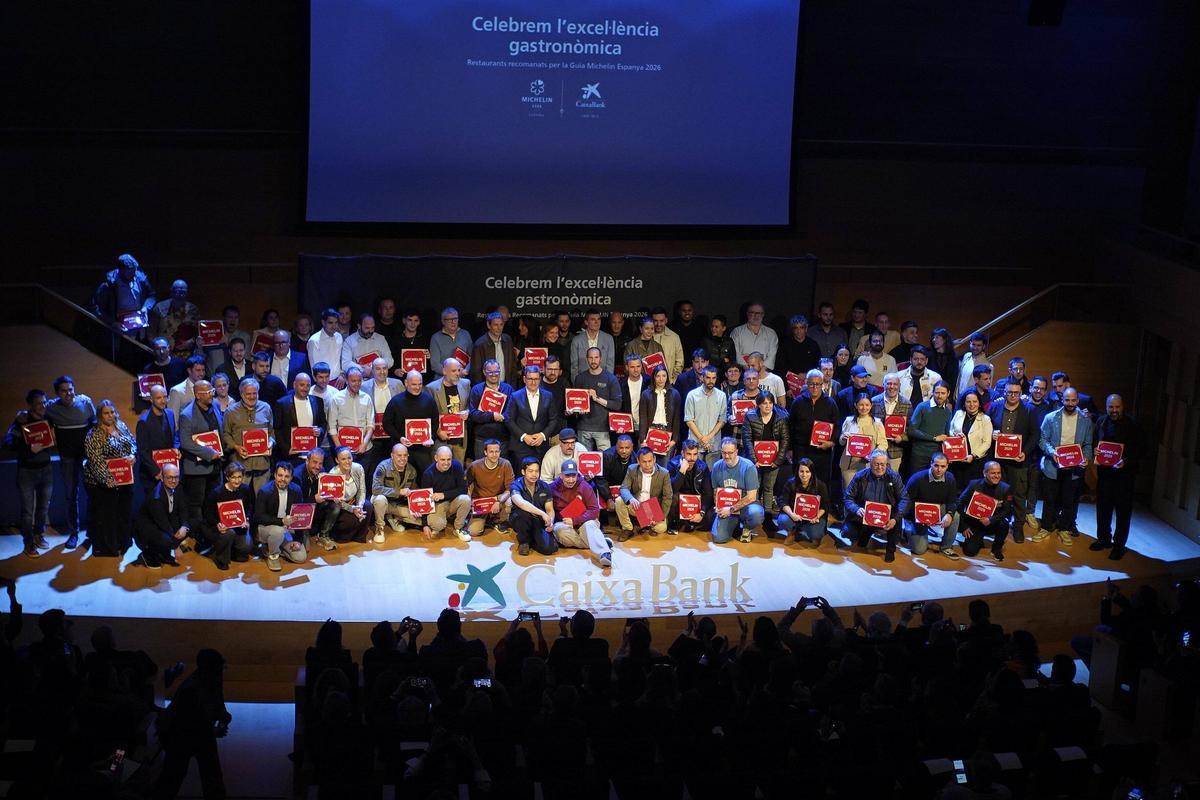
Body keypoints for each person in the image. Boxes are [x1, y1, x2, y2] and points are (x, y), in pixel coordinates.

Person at [153, 648, 232, 800]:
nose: (221, 672)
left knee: (172, 779)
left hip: (183, 737)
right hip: (183, 737)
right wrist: (218, 726)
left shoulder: (199, 684)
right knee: (210, 779)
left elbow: (204, 716)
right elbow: (192, 724)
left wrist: (221, 720)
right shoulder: (196, 688)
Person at [1032, 388, 1093, 546]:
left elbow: (1088, 444)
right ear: (1062, 400)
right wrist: (1052, 452)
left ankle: (1064, 529)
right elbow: (1042, 439)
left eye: (1073, 400)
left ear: (1077, 400)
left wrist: (1086, 457)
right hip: (1053, 466)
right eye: (1067, 400)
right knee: (1049, 500)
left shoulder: (1085, 421)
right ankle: (1046, 527)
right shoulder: (1051, 417)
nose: (1070, 403)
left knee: (1068, 501)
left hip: (1074, 469)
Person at [45, 375, 96, 548]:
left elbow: (95, 426)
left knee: (92, 493)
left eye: (71, 389)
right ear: (57, 393)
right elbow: (36, 416)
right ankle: (74, 533)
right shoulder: (51, 407)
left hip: (87, 457)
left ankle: (93, 532)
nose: (68, 393)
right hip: (67, 459)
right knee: (70, 496)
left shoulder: (85, 403)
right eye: (64, 391)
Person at [1090, 394, 1143, 559]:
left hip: (1124, 477)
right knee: (1103, 509)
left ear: (1122, 407)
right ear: (1106, 407)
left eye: (1117, 407)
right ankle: (1103, 539)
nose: (1114, 410)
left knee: (1123, 512)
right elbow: (1094, 441)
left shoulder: (1133, 424)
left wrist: (1126, 461)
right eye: (1111, 407)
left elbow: (1142, 450)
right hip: (1105, 475)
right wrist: (1095, 450)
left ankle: (1119, 545)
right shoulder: (1101, 421)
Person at [83, 399, 136, 556]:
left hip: (125, 479)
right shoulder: (93, 434)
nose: (110, 415)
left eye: (112, 412)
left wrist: (133, 455)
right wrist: (107, 480)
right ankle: (109, 547)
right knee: (108, 516)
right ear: (100, 415)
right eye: (106, 413)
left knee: (123, 512)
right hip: (102, 483)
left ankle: (123, 542)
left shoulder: (121, 426)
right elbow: (96, 461)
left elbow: (133, 443)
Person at [988, 380, 1039, 542]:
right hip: (997, 461)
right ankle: (996, 525)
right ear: (1004, 392)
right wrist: (992, 433)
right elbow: (986, 426)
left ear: (1021, 393)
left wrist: (1025, 452)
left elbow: (1035, 435)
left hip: (1019, 461)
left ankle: (1018, 526)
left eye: (1016, 393)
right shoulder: (995, 407)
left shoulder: (1030, 410)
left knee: (1018, 495)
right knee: (997, 493)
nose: (1012, 395)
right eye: (1009, 392)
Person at [6, 389, 53, 558]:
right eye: (39, 403)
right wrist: (28, 448)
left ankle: (38, 534)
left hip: (46, 469)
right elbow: (8, 442)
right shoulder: (22, 421)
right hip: (26, 471)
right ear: (30, 405)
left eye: (45, 402)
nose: (43, 406)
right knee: (27, 511)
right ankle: (29, 543)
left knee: (43, 507)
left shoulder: (49, 418)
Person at [843, 449, 906, 562]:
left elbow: (904, 499)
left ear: (886, 464)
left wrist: (895, 519)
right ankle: (866, 533)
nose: (880, 467)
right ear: (870, 463)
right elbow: (848, 498)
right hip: (864, 514)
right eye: (876, 464)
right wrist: (856, 509)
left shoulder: (894, 477)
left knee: (897, 522)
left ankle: (890, 550)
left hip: (889, 516)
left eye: (883, 464)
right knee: (848, 532)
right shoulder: (860, 476)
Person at [550, 460, 612, 568]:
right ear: (561, 475)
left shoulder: (585, 486)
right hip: (565, 525)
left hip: (584, 522)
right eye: (567, 476)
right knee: (559, 532)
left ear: (577, 475)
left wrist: (575, 520)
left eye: (573, 476)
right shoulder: (552, 487)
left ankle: (604, 553)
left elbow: (594, 510)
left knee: (590, 525)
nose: (571, 480)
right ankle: (598, 541)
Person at [898, 453, 961, 558]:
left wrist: (949, 514)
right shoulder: (917, 478)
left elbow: (952, 500)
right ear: (931, 464)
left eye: (943, 466)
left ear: (947, 466)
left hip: (937, 509)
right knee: (919, 550)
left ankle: (946, 547)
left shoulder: (950, 478)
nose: (939, 470)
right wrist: (920, 517)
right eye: (936, 465)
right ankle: (908, 529)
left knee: (955, 516)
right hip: (917, 512)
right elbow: (907, 501)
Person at [178, 379, 223, 523]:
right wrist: (210, 453)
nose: (212, 394)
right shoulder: (186, 415)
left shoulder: (215, 404)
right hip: (197, 469)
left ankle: (211, 531)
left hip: (216, 466)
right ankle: (197, 533)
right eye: (208, 392)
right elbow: (185, 442)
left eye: (212, 391)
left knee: (213, 502)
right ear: (198, 395)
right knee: (197, 505)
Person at [221, 377, 275, 492]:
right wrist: (236, 447)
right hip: (240, 465)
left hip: (262, 464)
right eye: (248, 394)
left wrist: (270, 443)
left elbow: (271, 432)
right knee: (240, 497)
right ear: (241, 394)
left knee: (262, 498)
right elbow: (225, 434)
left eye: (254, 393)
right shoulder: (231, 411)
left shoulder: (266, 408)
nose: (252, 396)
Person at [252, 462, 308, 571]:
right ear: (275, 475)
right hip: (266, 528)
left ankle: (272, 547)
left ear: (291, 477)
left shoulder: (296, 490)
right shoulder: (264, 491)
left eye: (287, 476)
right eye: (280, 475)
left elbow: (299, 516)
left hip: (286, 529)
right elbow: (259, 517)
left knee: (301, 557)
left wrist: (298, 540)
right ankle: (273, 555)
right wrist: (281, 521)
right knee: (278, 531)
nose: (283, 479)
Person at [709, 436, 765, 543]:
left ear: (736, 452)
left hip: (746, 506)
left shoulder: (748, 466)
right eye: (724, 452)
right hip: (726, 506)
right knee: (718, 538)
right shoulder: (716, 466)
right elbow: (715, 491)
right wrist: (719, 507)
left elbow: (751, 497)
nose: (727, 456)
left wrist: (731, 509)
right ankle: (734, 525)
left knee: (756, 514)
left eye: (730, 453)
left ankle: (747, 528)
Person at [789, 369, 840, 487]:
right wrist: (790, 449)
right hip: (801, 450)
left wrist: (831, 442)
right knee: (800, 483)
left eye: (818, 384)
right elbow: (790, 426)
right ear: (806, 383)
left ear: (822, 384)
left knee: (821, 484)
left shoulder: (831, 403)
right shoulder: (797, 402)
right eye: (811, 384)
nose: (815, 387)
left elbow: (837, 426)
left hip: (822, 452)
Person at [741, 393, 789, 518]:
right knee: (754, 488)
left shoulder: (782, 417)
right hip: (755, 461)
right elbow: (747, 439)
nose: (768, 406)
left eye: (770, 403)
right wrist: (753, 460)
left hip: (773, 460)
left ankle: (767, 517)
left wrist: (778, 460)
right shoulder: (750, 416)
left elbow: (785, 440)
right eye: (764, 403)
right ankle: (754, 516)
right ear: (758, 405)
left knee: (769, 488)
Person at [200, 461, 255, 570]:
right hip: (220, 528)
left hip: (238, 525)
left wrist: (247, 519)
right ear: (227, 477)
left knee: (246, 548)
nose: (237, 480)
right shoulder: (216, 492)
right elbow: (207, 514)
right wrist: (218, 524)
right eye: (233, 477)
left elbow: (249, 507)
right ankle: (221, 559)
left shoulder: (245, 489)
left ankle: (231, 550)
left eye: (239, 477)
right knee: (229, 534)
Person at [132, 462, 189, 568]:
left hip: (164, 522)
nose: (173, 480)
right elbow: (163, 523)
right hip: (148, 528)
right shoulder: (156, 497)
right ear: (162, 478)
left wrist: (184, 526)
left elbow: (183, 509)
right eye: (169, 477)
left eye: (176, 477)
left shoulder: (178, 488)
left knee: (191, 525)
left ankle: (163, 553)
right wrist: (176, 547)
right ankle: (148, 555)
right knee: (165, 540)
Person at [957, 460, 1016, 561]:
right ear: (985, 473)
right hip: (975, 523)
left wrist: (991, 520)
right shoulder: (973, 484)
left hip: (993, 522)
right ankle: (978, 540)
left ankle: (996, 549)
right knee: (969, 552)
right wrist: (964, 526)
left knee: (1004, 524)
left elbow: (1007, 510)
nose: (996, 476)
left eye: (999, 473)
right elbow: (959, 503)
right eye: (993, 473)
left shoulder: (1006, 488)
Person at [572, 346, 622, 452]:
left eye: (596, 357)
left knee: (606, 459)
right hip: (583, 427)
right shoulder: (580, 378)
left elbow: (617, 405)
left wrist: (596, 398)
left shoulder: (611, 378)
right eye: (590, 358)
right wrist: (576, 409)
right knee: (584, 459)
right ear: (587, 359)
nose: (593, 361)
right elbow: (575, 402)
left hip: (603, 428)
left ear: (601, 359)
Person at [506, 365, 559, 464]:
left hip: (541, 447)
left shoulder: (548, 396)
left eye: (536, 379)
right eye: (530, 379)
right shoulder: (515, 396)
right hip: (520, 447)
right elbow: (509, 419)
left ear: (540, 379)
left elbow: (553, 419)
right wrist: (524, 436)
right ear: (524, 379)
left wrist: (543, 435)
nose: (533, 382)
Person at [617, 446, 673, 539]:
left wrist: (660, 517)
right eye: (644, 462)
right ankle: (628, 529)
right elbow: (624, 488)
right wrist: (631, 499)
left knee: (661, 528)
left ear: (654, 459)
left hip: (652, 509)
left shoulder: (664, 473)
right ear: (638, 461)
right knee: (619, 500)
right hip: (637, 506)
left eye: (650, 461)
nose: (647, 465)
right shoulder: (632, 469)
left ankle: (646, 525)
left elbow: (667, 497)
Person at [370, 443, 422, 541]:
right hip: (383, 503)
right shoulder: (382, 467)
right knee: (380, 499)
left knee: (419, 519)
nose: (402, 458)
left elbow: (413, 491)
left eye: (405, 455)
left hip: (397, 505)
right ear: (392, 455)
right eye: (399, 455)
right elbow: (376, 489)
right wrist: (399, 492)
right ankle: (379, 528)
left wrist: (416, 507)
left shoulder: (412, 470)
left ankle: (393, 518)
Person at [775, 458, 832, 546]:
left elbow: (825, 505)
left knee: (816, 534)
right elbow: (783, 501)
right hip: (794, 515)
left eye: (807, 471)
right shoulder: (790, 483)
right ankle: (792, 532)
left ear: (812, 472)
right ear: (797, 472)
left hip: (814, 518)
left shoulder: (820, 485)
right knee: (783, 520)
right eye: (801, 471)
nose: (804, 475)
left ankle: (811, 533)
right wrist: (792, 514)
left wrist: (817, 516)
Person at [420, 445, 471, 541]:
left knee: (466, 499)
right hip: (437, 506)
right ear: (436, 458)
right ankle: (440, 520)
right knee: (438, 525)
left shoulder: (457, 466)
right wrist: (424, 525)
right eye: (443, 459)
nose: (446, 463)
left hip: (452, 501)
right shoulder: (428, 474)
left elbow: (463, 489)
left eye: (449, 459)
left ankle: (458, 528)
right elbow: (425, 500)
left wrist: (443, 495)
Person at [91, 253, 155, 329]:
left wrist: (146, 307)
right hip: (119, 327)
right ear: (121, 270)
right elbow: (97, 308)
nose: (134, 275)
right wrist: (112, 322)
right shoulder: (108, 284)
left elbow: (152, 295)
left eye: (135, 270)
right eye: (131, 272)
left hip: (139, 325)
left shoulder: (140, 278)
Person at [273, 372, 327, 462]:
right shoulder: (282, 403)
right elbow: (277, 429)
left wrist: (320, 430)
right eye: (302, 385)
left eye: (308, 385)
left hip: (312, 455)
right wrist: (286, 449)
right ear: (294, 385)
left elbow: (323, 423)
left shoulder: (318, 401)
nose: (305, 388)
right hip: (292, 455)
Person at [839, 393, 888, 491]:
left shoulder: (877, 423)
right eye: (861, 405)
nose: (864, 408)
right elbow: (841, 442)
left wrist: (873, 455)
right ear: (856, 405)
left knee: (865, 493)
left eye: (867, 405)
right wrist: (843, 437)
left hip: (868, 465)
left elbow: (883, 444)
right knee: (849, 493)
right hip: (849, 465)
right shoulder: (848, 421)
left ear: (871, 406)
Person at [136, 383, 179, 495]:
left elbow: (175, 436)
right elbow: (142, 451)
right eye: (159, 398)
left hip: (170, 470)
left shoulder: (170, 413)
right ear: (151, 399)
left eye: (165, 397)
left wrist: (177, 449)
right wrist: (156, 471)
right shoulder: (143, 422)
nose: (163, 401)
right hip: (152, 475)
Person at [465, 439, 514, 536]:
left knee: (512, 500)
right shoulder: (475, 466)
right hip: (481, 502)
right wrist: (469, 502)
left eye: (497, 451)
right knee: (474, 532)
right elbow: (466, 485)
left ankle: (497, 520)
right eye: (491, 452)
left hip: (497, 500)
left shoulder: (506, 464)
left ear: (500, 452)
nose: (494, 454)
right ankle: (487, 518)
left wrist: (498, 501)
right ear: (485, 452)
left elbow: (510, 489)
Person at [467, 359, 514, 459]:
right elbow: (473, 414)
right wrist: (492, 416)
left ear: (500, 371)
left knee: (502, 467)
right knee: (481, 467)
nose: (494, 375)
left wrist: (503, 417)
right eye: (490, 372)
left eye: (496, 371)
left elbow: (512, 411)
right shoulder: (476, 389)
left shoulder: (508, 389)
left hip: (503, 438)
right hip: (482, 439)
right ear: (484, 372)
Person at [510, 456, 556, 556]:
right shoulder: (515, 485)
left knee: (549, 549)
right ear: (523, 472)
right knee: (524, 513)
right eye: (530, 471)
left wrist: (551, 521)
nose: (534, 474)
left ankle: (531, 539)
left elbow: (550, 509)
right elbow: (521, 503)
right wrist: (542, 514)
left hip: (538, 520)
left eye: (536, 471)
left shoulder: (545, 486)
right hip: (520, 519)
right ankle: (524, 542)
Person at [328, 365, 374, 463]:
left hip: (364, 449)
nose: (357, 384)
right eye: (353, 381)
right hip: (343, 450)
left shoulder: (367, 398)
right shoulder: (336, 398)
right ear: (346, 380)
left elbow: (370, 425)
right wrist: (340, 449)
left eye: (359, 380)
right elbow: (331, 427)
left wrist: (364, 444)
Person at [427, 357, 469, 464]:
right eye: (454, 371)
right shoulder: (431, 388)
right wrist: (438, 431)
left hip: (460, 438)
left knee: (458, 469)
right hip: (441, 439)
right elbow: (427, 415)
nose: (457, 374)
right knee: (441, 469)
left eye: (459, 370)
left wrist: (468, 412)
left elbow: (470, 405)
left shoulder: (466, 384)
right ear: (444, 371)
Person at [666, 439, 713, 535]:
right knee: (673, 497)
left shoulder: (703, 467)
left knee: (708, 519)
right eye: (688, 454)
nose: (692, 458)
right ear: (682, 453)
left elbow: (708, 494)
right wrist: (682, 471)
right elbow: (672, 489)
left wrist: (702, 513)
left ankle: (688, 523)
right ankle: (675, 524)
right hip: (679, 500)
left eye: (695, 454)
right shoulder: (673, 464)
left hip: (695, 501)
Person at [948, 389, 993, 484]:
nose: (971, 404)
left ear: (979, 403)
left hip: (976, 462)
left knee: (972, 488)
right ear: (964, 403)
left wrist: (973, 455)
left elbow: (987, 442)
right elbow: (950, 431)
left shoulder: (985, 419)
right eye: (968, 402)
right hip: (957, 459)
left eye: (974, 401)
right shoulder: (958, 414)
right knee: (956, 485)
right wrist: (955, 435)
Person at [683, 365, 726, 466]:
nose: (711, 381)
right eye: (708, 377)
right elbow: (689, 420)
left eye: (713, 378)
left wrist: (708, 438)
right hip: (694, 446)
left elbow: (722, 420)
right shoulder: (692, 395)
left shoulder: (722, 395)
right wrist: (702, 439)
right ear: (702, 378)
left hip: (714, 445)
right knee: (694, 474)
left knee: (712, 474)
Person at [908, 380, 954, 473]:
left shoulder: (948, 412)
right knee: (916, 479)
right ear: (932, 392)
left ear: (948, 394)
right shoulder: (922, 407)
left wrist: (956, 437)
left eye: (943, 393)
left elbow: (946, 435)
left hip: (937, 457)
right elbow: (912, 430)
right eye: (937, 392)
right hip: (919, 454)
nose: (939, 396)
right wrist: (934, 438)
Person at [639, 365, 682, 462]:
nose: (661, 379)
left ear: (667, 377)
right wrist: (642, 440)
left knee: (664, 466)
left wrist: (674, 440)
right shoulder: (646, 394)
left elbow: (676, 419)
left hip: (666, 434)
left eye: (664, 376)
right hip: (650, 433)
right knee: (648, 464)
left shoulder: (675, 394)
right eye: (658, 376)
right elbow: (643, 418)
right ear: (654, 377)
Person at [871, 373, 912, 474]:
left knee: (892, 479)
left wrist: (902, 437)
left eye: (895, 384)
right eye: (889, 383)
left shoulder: (907, 403)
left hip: (895, 450)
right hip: (876, 449)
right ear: (883, 384)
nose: (892, 386)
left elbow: (910, 427)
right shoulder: (873, 401)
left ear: (899, 385)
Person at [150, 279, 200, 356]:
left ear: (187, 293)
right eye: (177, 291)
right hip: (164, 353)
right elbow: (151, 333)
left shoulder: (193, 309)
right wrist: (158, 349)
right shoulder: (159, 308)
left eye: (183, 292)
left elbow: (199, 332)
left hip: (187, 353)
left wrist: (191, 342)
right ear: (171, 291)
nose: (180, 294)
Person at [595, 434, 636, 522]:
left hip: (624, 489)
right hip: (608, 488)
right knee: (606, 519)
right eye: (621, 448)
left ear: (632, 447)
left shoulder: (635, 459)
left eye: (627, 448)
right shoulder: (607, 456)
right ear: (616, 446)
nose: (624, 451)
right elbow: (601, 479)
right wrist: (608, 498)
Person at [470, 311, 517, 385]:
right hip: (488, 388)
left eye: (501, 324)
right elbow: (476, 373)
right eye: (495, 325)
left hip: (506, 386)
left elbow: (513, 367)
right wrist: (483, 389)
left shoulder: (508, 340)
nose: (499, 328)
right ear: (488, 325)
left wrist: (512, 387)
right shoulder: (480, 344)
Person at [730, 302, 779, 371]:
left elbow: (772, 355)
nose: (755, 316)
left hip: (764, 372)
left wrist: (762, 371)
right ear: (747, 314)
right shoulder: (737, 332)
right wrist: (748, 370)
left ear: (763, 315)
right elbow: (735, 353)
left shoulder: (771, 333)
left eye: (758, 313)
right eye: (752, 313)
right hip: (742, 371)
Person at [569, 308, 616, 377]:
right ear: (586, 322)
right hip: (583, 381)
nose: (597, 322)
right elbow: (574, 367)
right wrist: (577, 382)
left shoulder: (608, 339)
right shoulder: (577, 340)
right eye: (593, 319)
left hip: (603, 380)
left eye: (598, 319)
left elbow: (610, 365)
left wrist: (607, 381)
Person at [429, 307, 474, 378]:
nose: (453, 322)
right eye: (450, 320)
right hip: (442, 379)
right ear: (443, 321)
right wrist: (452, 373)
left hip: (461, 378)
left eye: (455, 319)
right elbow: (435, 364)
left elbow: (473, 357)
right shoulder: (435, 338)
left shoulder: (465, 334)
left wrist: (465, 371)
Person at [777, 314, 822, 380]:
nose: (799, 331)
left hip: (810, 382)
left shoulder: (813, 345)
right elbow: (780, 366)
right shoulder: (785, 345)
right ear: (792, 329)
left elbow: (818, 366)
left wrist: (807, 374)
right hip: (789, 381)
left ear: (806, 328)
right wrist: (792, 377)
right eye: (796, 328)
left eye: (801, 327)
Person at [306, 308, 344, 380]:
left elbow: (340, 359)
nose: (334, 326)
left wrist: (342, 373)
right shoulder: (314, 341)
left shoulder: (339, 337)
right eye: (330, 323)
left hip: (338, 380)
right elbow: (314, 368)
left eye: (336, 323)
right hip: (322, 381)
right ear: (323, 322)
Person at [651, 306, 685, 382]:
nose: (658, 324)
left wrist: (672, 379)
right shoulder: (647, 336)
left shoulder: (674, 337)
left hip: (669, 382)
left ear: (666, 320)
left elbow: (679, 362)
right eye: (655, 321)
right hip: (650, 382)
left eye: (661, 321)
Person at [618, 353, 646, 431]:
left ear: (642, 366)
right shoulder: (621, 384)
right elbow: (618, 406)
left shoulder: (649, 382)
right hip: (627, 426)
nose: (636, 370)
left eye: (638, 366)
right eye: (632, 367)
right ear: (627, 367)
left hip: (645, 425)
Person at [957, 332, 991, 397]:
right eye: (973, 344)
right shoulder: (966, 356)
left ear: (983, 346)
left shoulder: (988, 365)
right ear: (970, 344)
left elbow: (987, 388)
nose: (975, 348)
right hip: (959, 398)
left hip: (973, 400)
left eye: (978, 345)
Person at [929, 327, 960, 394]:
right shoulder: (929, 356)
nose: (934, 340)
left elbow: (954, 378)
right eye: (933, 337)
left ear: (945, 339)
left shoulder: (953, 357)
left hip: (947, 393)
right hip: (931, 392)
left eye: (937, 337)